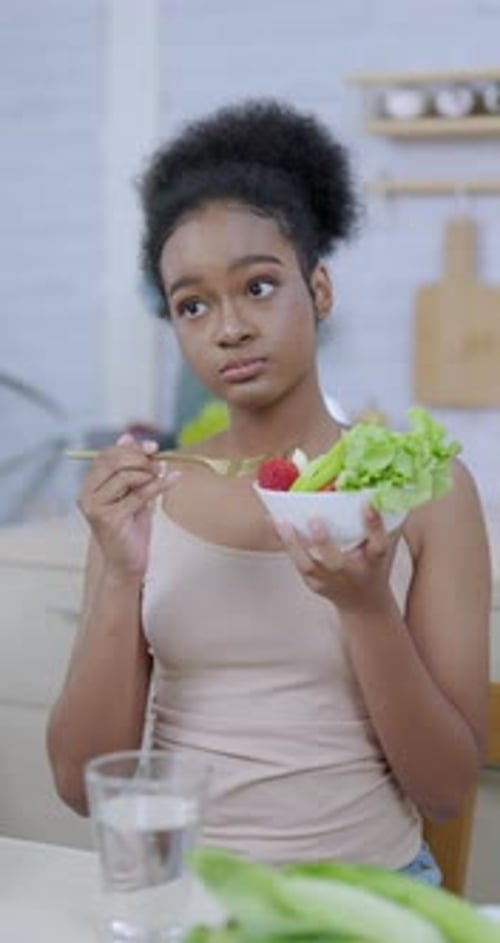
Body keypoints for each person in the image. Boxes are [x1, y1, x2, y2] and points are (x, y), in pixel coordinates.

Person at [46, 100, 491, 884]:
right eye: (193, 304)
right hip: (181, 890)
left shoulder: (428, 491)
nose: (229, 328)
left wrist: (366, 608)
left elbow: (447, 792)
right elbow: (82, 786)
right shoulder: (146, 498)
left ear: (319, 289)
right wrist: (119, 574)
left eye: (258, 286)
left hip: (367, 895)